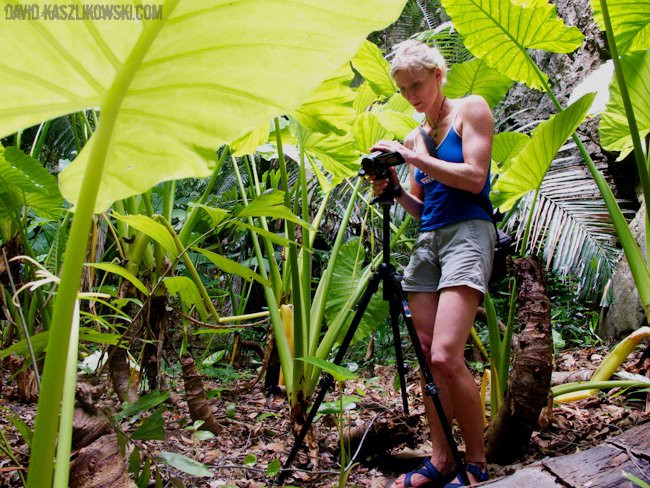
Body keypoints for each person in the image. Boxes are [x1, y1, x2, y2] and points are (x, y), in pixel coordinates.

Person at [368, 40, 495, 487]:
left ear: (438, 75)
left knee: (446, 353)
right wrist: (395, 191)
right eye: (403, 90)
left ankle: (476, 462)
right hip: (429, 240)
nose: (411, 96)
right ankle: (441, 460)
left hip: (469, 232)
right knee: (426, 356)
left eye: (417, 85)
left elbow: (475, 177)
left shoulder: (471, 110)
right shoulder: (413, 137)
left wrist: (416, 160)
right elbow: (423, 209)